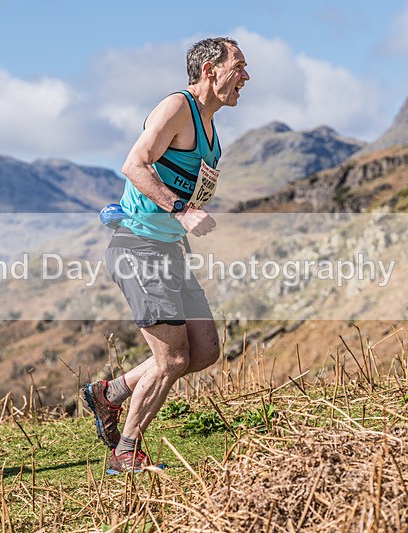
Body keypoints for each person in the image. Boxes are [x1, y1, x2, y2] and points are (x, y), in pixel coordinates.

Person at [82, 37, 249, 474]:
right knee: (172, 359)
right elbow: (134, 164)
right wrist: (183, 210)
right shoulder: (177, 107)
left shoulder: (211, 130)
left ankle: (109, 394)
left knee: (204, 351)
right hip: (139, 247)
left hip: (170, 250)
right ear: (210, 70)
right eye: (239, 66)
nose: (246, 77)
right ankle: (125, 452)